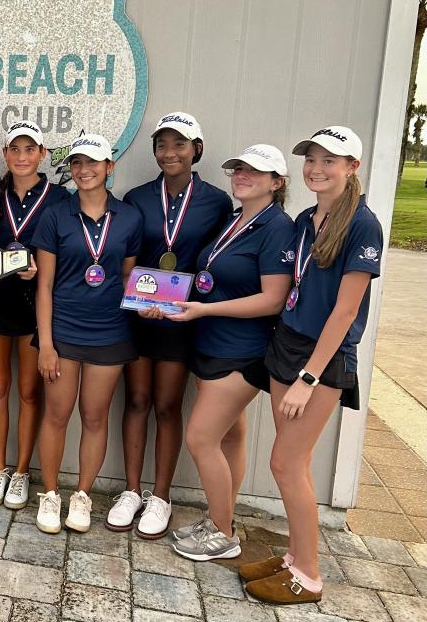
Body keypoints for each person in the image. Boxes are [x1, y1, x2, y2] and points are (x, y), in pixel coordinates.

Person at [241, 127, 382, 604]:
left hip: (321, 358)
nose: (317, 168)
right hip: (288, 342)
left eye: (330, 160)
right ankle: (293, 557)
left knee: (285, 462)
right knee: (288, 460)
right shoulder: (304, 218)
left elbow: (345, 312)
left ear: (352, 168)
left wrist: (309, 377)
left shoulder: (363, 224)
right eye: (312, 159)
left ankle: (309, 575)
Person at [164, 144, 294, 561]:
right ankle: (222, 517)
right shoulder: (236, 218)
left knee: (201, 438)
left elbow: (273, 299)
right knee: (232, 435)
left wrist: (204, 309)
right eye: (238, 169)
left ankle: (222, 533)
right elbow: (211, 277)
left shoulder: (278, 227)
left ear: (277, 182)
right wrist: (167, 300)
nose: (241, 175)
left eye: (254, 171)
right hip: (210, 341)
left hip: (243, 350)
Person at [112, 112, 232, 539]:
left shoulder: (217, 201)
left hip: (183, 318)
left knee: (166, 405)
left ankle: (160, 496)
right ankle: (131, 490)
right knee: (137, 400)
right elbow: (125, 257)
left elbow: (217, 264)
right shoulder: (136, 197)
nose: (169, 153)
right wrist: (137, 296)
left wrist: (194, 301)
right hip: (141, 314)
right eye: (162, 145)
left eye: (179, 145)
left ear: (196, 149)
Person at [32, 134, 142, 534]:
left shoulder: (129, 217)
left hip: (110, 331)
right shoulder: (56, 215)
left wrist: (152, 301)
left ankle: (81, 496)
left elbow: (128, 275)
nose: (84, 170)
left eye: (93, 162)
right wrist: (45, 343)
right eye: (77, 163)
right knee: (57, 415)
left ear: (109, 167)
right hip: (63, 331)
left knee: (95, 417)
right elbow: (43, 285)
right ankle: (49, 494)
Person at [0, 120, 68, 509]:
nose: (21, 157)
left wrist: (41, 270)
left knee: (30, 393)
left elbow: (71, 253)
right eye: (15, 149)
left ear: (42, 154)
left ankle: (20, 471)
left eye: (30, 149)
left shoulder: (60, 198)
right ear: (5, 154)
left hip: (35, 306)